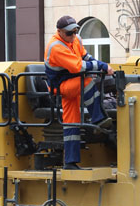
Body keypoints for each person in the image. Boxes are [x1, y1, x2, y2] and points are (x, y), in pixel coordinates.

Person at [44, 15, 114, 169]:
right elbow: (78, 66)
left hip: (73, 82)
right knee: (87, 82)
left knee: (71, 125)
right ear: (60, 32)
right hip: (61, 86)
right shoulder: (56, 47)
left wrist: (98, 65)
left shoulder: (76, 40)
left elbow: (85, 56)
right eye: (69, 33)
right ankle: (98, 118)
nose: (73, 35)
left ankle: (70, 162)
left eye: (75, 31)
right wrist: (102, 66)